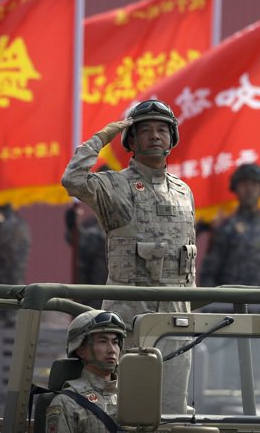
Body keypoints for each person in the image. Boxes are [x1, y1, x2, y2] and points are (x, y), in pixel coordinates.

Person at [61, 99, 196, 413]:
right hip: (129, 317)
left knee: (172, 407)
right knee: (125, 405)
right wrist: (101, 138)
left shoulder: (184, 191)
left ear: (172, 138)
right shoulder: (115, 186)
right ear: (131, 141)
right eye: (145, 130)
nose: (155, 135)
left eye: (162, 129)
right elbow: (72, 180)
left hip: (177, 315)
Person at [45, 310, 126, 433]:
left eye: (115, 342)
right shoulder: (67, 402)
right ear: (81, 350)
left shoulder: (130, 397)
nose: (112, 350)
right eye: (103, 341)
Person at [65, 202, 108, 309]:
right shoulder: (95, 223)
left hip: (114, 292)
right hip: (93, 292)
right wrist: (73, 227)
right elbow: (81, 241)